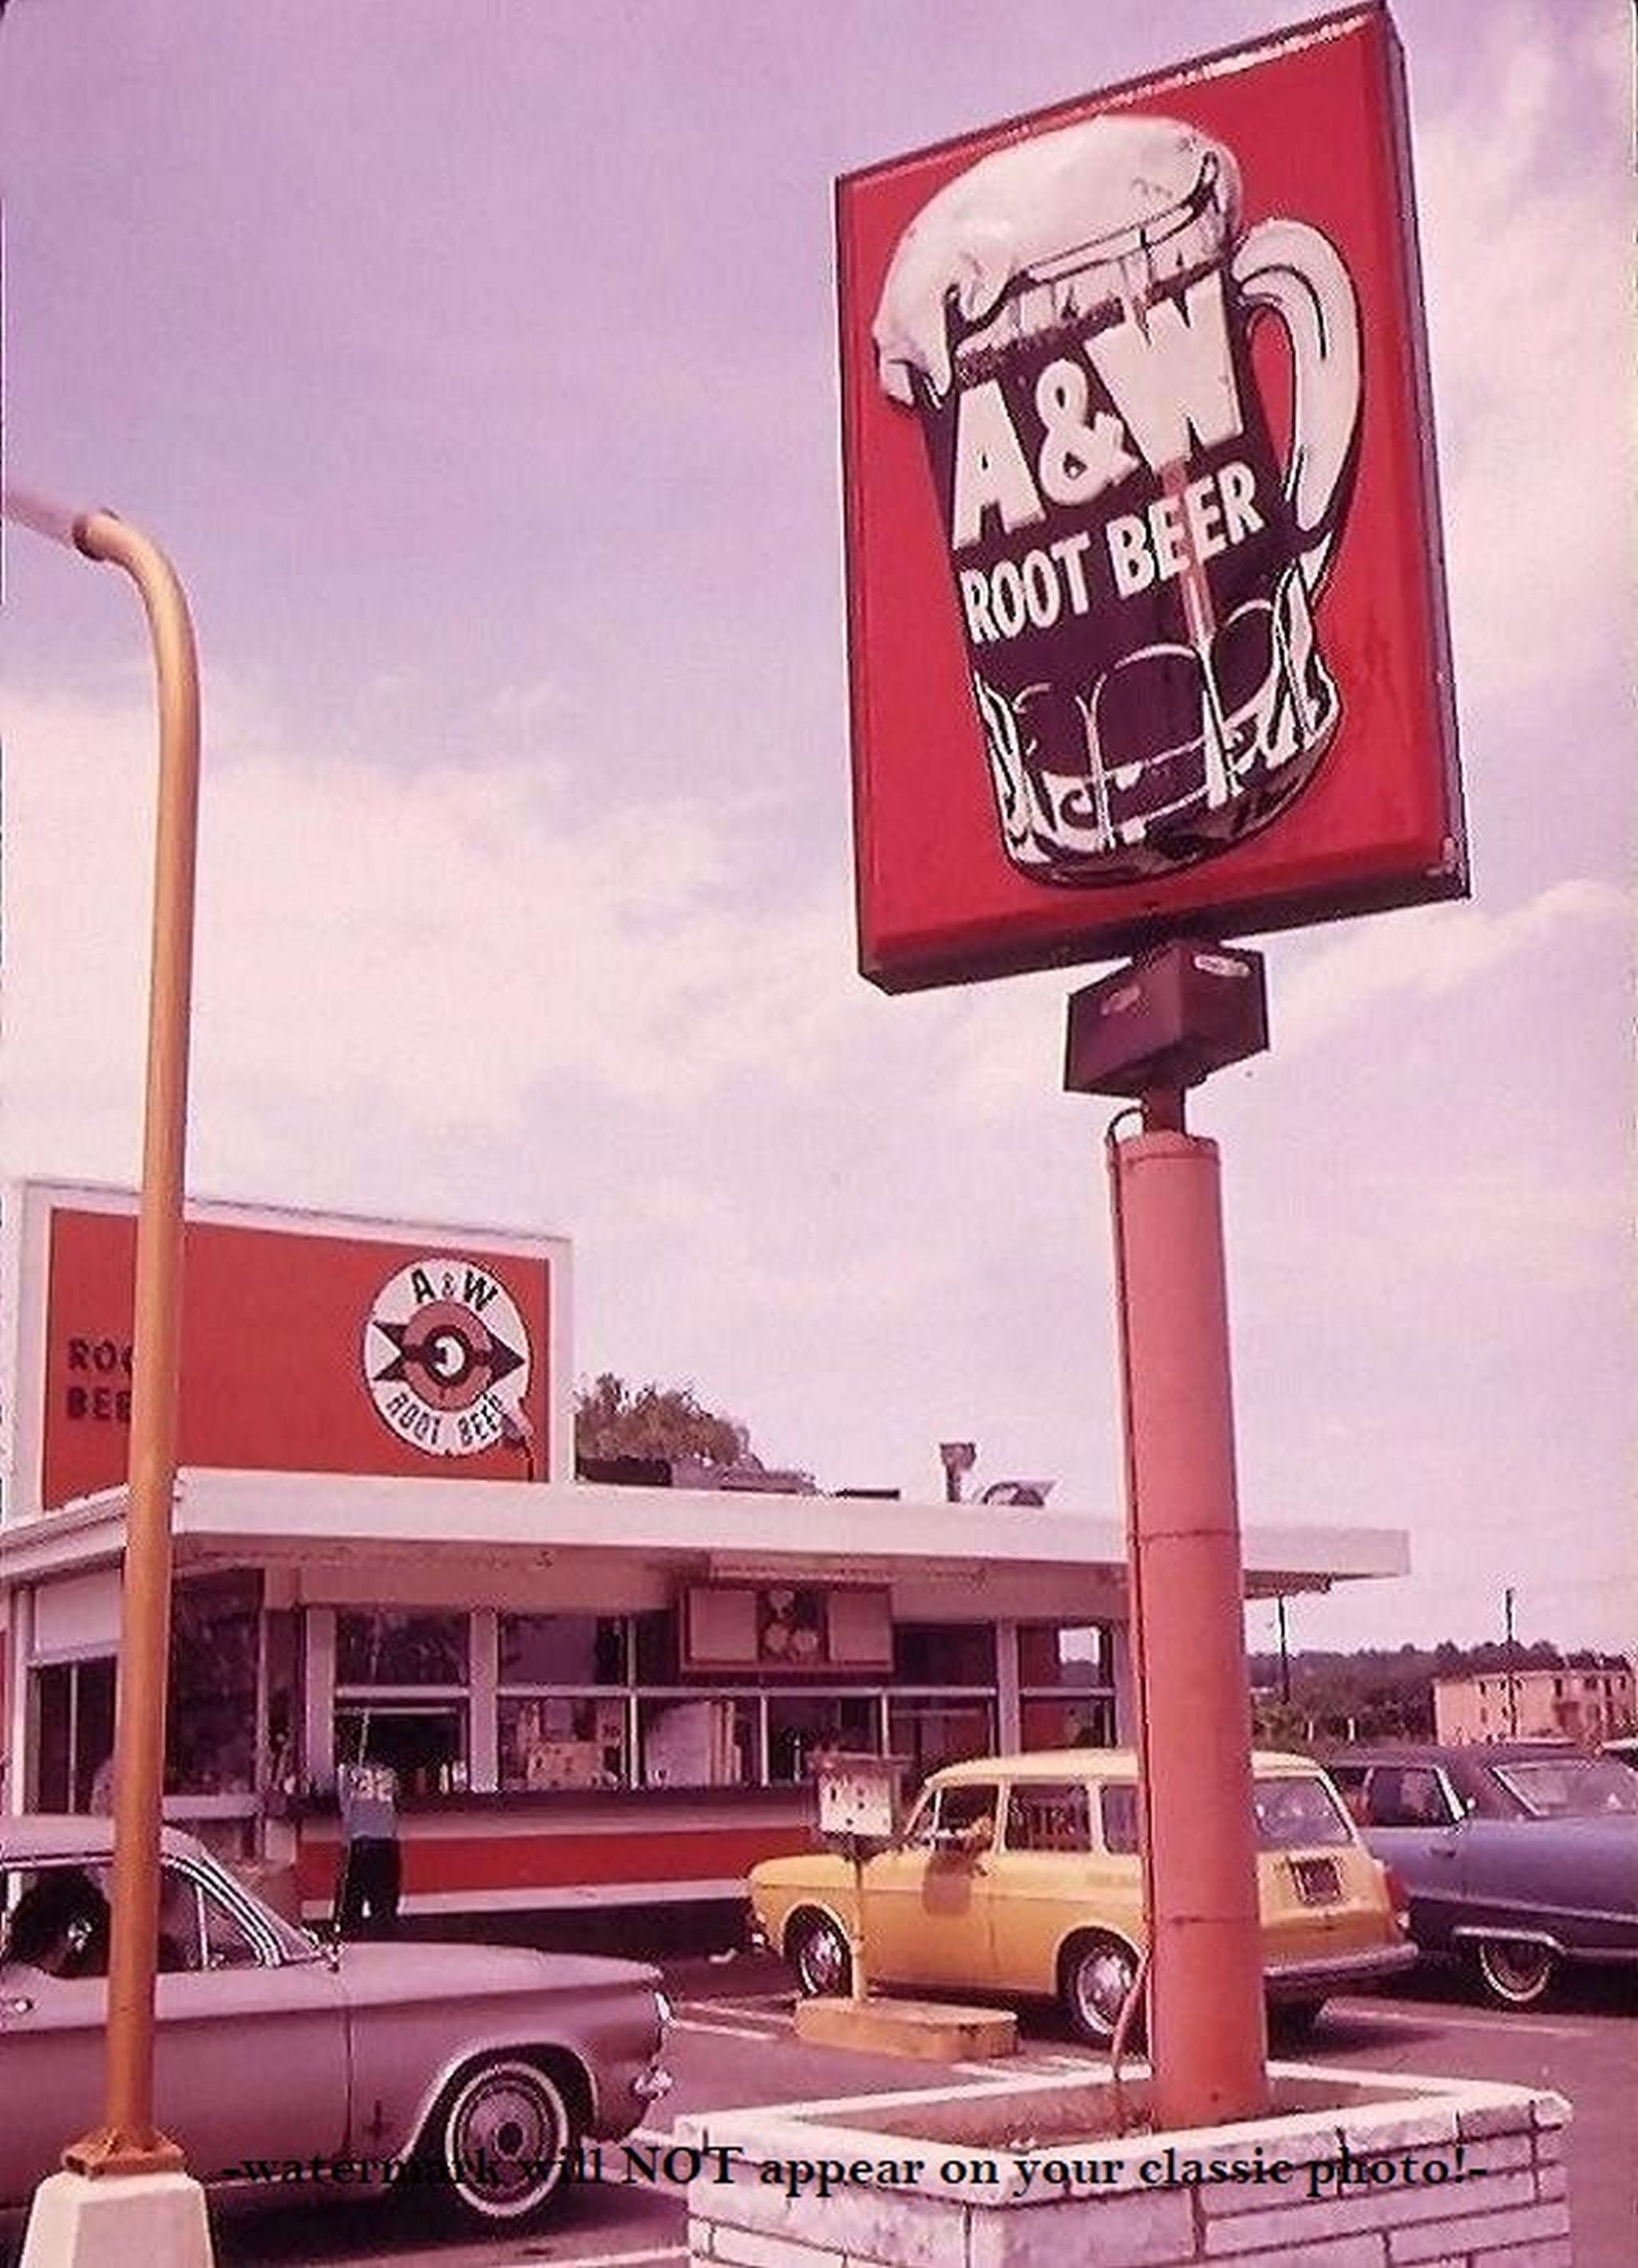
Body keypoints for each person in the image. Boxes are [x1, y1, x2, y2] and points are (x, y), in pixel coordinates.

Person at [334, 1751, 402, 1939]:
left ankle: (351, 1939)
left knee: (351, 1903)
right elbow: (397, 1800)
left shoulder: (345, 1771)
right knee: (384, 1905)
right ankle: (385, 1941)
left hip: (358, 1840)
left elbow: (338, 1800)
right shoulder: (389, 1772)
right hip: (387, 1840)